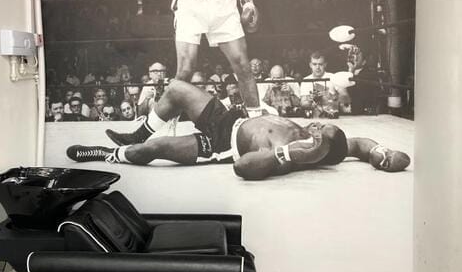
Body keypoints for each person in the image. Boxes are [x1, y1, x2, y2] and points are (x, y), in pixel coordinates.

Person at [67, 80, 410, 180]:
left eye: (321, 131)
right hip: (229, 118)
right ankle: (136, 133)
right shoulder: (322, 138)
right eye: (321, 124)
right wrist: (384, 154)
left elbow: (242, 167)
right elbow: (360, 144)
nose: (317, 124)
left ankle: (111, 154)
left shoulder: (294, 156)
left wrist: (291, 154)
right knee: (176, 89)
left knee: (154, 151)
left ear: (320, 148)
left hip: (221, 144)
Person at [300, 51, 338, 118]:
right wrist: (309, 99)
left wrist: (329, 96)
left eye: (320, 64)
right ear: (310, 65)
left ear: (325, 64)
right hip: (313, 117)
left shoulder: (334, 77)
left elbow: (345, 99)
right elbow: (303, 104)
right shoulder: (305, 80)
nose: (317, 67)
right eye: (314, 64)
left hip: (332, 116)